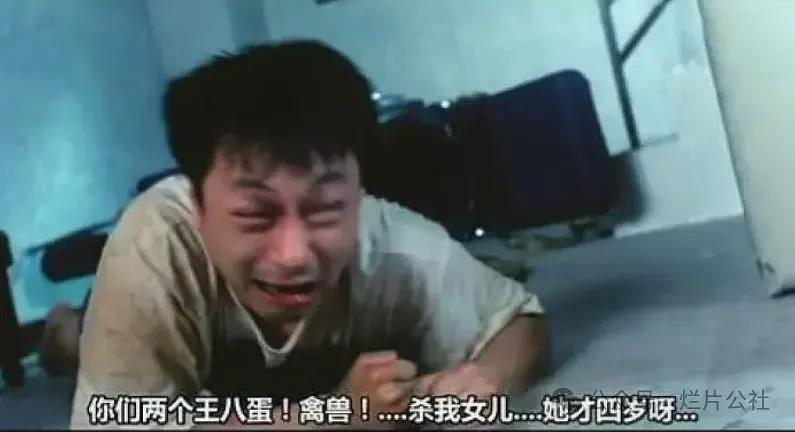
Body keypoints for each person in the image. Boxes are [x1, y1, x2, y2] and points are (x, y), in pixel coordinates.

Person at [70, 40, 549, 429]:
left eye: (324, 210)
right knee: (74, 341)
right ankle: (60, 329)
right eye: (256, 215)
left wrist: (483, 380)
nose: (294, 255)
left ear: (358, 193)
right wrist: (332, 416)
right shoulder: (152, 248)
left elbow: (517, 319)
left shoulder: (392, 241)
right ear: (198, 204)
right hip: (130, 306)